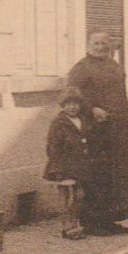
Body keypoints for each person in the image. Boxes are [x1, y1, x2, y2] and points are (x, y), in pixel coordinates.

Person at [66, 31, 128, 235]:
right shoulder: (80, 69)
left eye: (104, 43)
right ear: (88, 45)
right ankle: (93, 222)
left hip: (118, 129)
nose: (100, 47)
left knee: (118, 175)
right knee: (99, 175)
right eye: (96, 43)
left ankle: (111, 220)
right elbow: (72, 97)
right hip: (96, 131)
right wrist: (91, 109)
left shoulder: (114, 66)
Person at [44, 89, 94, 240]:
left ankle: (74, 221)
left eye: (75, 104)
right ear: (63, 106)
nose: (72, 107)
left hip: (80, 165)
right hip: (64, 165)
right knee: (64, 196)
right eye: (68, 104)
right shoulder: (59, 123)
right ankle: (66, 227)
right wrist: (58, 168)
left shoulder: (82, 120)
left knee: (80, 195)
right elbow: (52, 147)